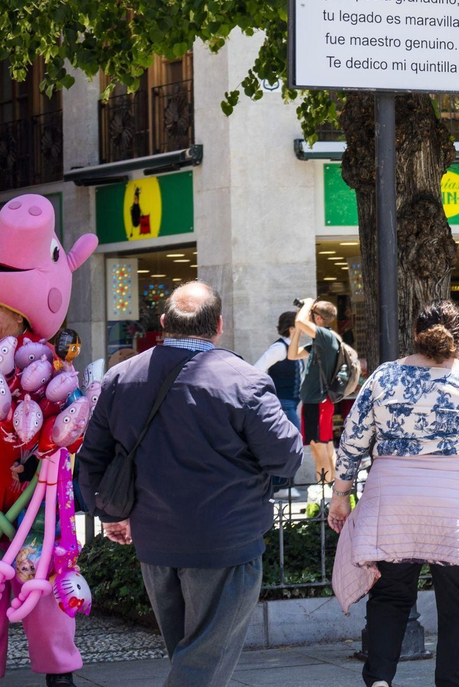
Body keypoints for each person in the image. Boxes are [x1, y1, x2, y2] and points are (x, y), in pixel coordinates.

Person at [77, 281, 303, 687]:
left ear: (163, 323)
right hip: (225, 539)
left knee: (189, 657)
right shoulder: (243, 380)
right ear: (218, 325)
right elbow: (286, 456)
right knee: (200, 664)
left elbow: (93, 456)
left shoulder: (121, 377)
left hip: (155, 540)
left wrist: (111, 513)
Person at [329, 300, 459, 687]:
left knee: (389, 595)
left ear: (415, 335)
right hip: (455, 506)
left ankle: (379, 680)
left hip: (391, 503)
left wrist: (341, 495)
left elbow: (353, 442)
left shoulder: (383, 378)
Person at [0, 193, 96, 687]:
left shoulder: (49, 368)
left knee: (46, 611)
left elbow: (68, 437)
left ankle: (60, 679)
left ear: (23, 313)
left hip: (33, 511)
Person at [289, 296, 343, 489]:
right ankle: (334, 491)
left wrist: (307, 304)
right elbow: (292, 355)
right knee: (325, 447)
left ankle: (325, 495)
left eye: (312, 314)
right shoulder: (322, 341)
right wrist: (296, 334)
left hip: (318, 402)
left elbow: (300, 321)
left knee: (319, 449)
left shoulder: (326, 337)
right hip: (317, 402)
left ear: (318, 318)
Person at [254, 309, 304, 435]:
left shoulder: (295, 348)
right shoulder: (279, 348)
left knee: (292, 442)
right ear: (292, 329)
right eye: (300, 325)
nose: (304, 329)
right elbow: (256, 370)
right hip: (282, 403)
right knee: (294, 440)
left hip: (291, 404)